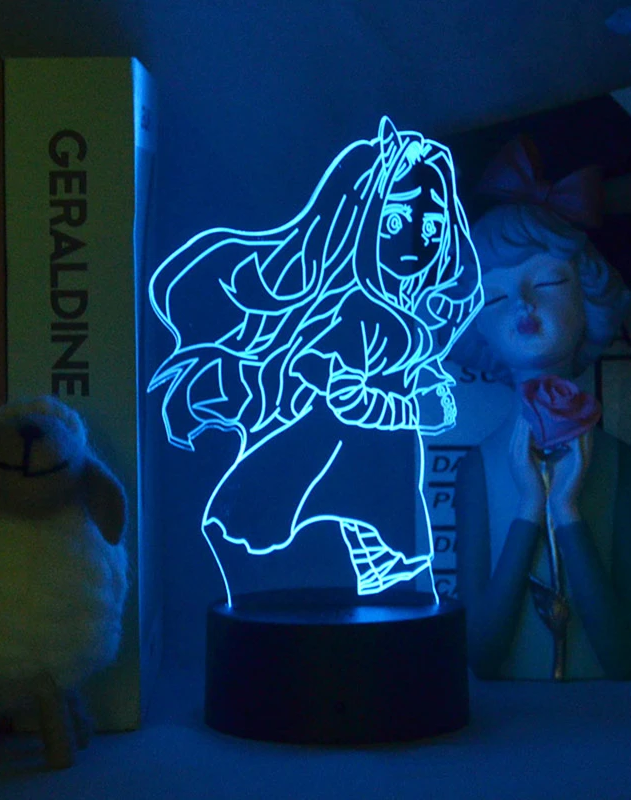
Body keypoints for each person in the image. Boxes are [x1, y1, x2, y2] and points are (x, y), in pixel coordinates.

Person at [148, 118, 483, 604]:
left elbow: (409, 385)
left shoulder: (405, 315)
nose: (417, 239)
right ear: (360, 219)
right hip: (328, 467)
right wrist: (414, 410)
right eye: (394, 222)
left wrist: (426, 395)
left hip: (362, 476)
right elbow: (346, 399)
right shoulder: (361, 316)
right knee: (350, 572)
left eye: (432, 226)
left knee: (384, 576)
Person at [450, 201, 631, 680]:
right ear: (475, 324)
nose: (523, 303)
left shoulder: (620, 465)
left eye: (547, 282)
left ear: (589, 297)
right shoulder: (478, 469)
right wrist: (529, 508)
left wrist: (566, 509)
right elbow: (481, 653)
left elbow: (624, 657)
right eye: (494, 298)